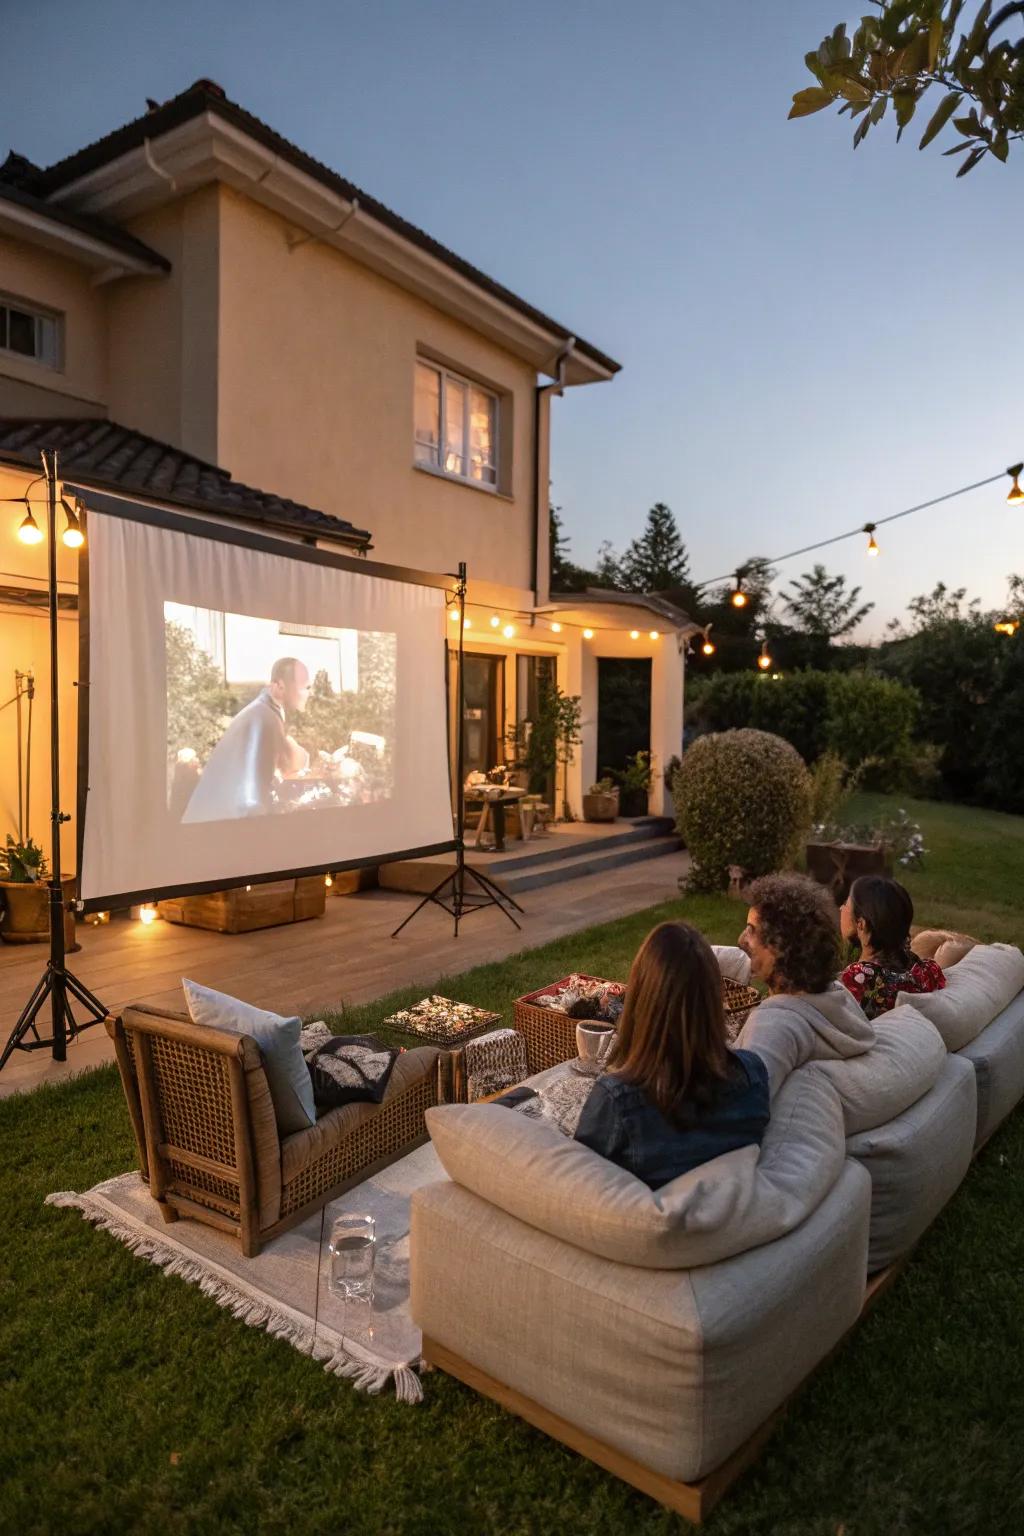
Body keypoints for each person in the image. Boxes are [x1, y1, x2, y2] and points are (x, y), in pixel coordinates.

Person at [573, 921, 769, 1190]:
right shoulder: (753, 1075)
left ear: (641, 999)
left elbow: (575, 1191)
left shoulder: (617, 1101)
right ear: (713, 1000)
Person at [734, 873, 876, 1098]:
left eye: (751, 929)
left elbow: (741, 1102)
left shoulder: (776, 1025)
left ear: (780, 946)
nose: (742, 939)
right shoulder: (838, 1000)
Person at [182, 657, 311, 823]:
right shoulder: (263, 718)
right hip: (213, 831)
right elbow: (252, 798)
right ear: (280, 687)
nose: (309, 693)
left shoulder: (265, 711)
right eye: (306, 687)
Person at [839, 875, 945, 1021]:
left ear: (861, 924)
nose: (841, 908)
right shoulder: (925, 972)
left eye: (846, 903)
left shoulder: (855, 979)